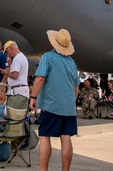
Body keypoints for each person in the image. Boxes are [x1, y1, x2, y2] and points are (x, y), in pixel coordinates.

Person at [30, 29, 79, 171]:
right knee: (66, 137)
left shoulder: (48, 57)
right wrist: (71, 101)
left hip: (52, 104)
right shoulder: (72, 62)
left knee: (45, 136)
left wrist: (33, 97)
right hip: (68, 107)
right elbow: (76, 86)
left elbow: (40, 78)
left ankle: (43, 169)